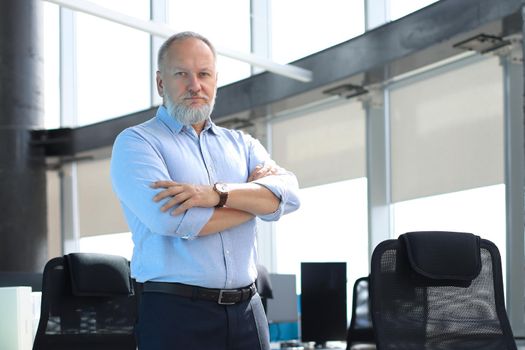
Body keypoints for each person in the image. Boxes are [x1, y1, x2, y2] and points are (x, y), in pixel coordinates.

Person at [110, 31, 300, 350]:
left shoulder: (242, 144)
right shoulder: (137, 143)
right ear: (160, 83)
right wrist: (255, 201)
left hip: (248, 313)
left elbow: (290, 195)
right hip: (176, 315)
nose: (194, 85)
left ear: (215, 81)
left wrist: (216, 194)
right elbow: (170, 220)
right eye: (181, 74)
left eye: (203, 74)